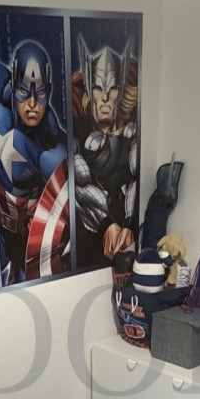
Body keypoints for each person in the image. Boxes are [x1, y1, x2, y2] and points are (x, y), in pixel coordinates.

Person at [0, 39, 69, 282]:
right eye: (24, 91)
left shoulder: (51, 146)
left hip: (22, 235)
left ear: (48, 92)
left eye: (40, 94)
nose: (32, 105)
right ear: (13, 86)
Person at [72, 37, 139, 268]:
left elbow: (136, 180)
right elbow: (79, 187)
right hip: (92, 236)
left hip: (126, 240)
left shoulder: (131, 134)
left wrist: (129, 223)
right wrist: (106, 224)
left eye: (112, 89)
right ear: (90, 90)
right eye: (99, 89)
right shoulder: (79, 133)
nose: (105, 98)